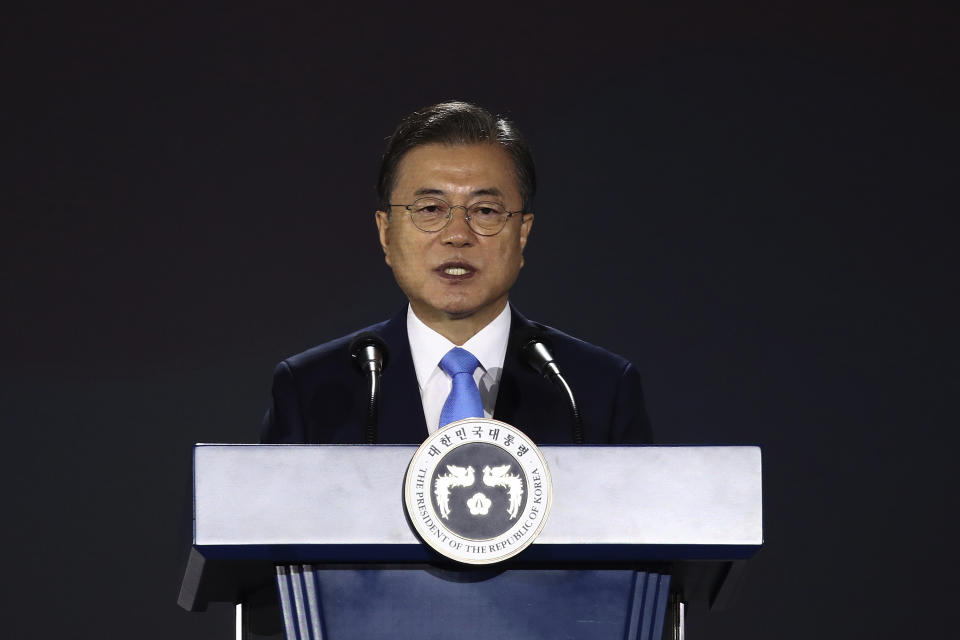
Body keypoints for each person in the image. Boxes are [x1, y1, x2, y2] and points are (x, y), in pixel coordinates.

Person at [261, 101, 652, 445]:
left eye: (485, 211)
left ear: (522, 234)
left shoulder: (595, 389)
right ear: (385, 233)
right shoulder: (311, 390)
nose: (457, 236)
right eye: (430, 209)